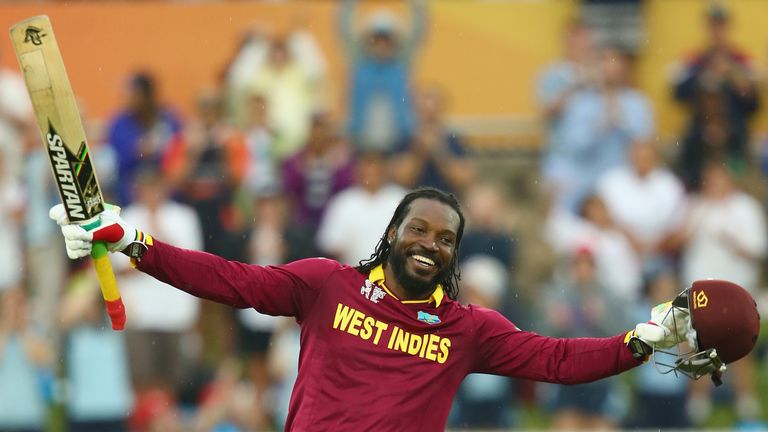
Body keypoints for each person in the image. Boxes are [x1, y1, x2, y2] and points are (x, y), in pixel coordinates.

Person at [50, 187, 689, 431]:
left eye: (445, 239)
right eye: (419, 230)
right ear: (390, 234)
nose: (430, 245)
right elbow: (230, 280)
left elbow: (557, 361)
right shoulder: (325, 285)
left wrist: (641, 341)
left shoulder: (469, 329)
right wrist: (134, 242)